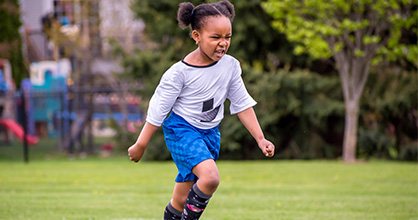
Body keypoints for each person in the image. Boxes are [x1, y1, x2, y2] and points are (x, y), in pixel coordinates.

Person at [128, 1, 275, 219]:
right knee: (210, 178)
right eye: (215, 37)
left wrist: (260, 138)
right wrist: (141, 144)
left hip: (210, 134)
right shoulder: (179, 73)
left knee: (180, 199)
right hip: (182, 131)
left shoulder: (231, 66)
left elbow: (241, 103)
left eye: (228, 37)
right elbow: (158, 109)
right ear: (196, 36)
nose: (223, 43)